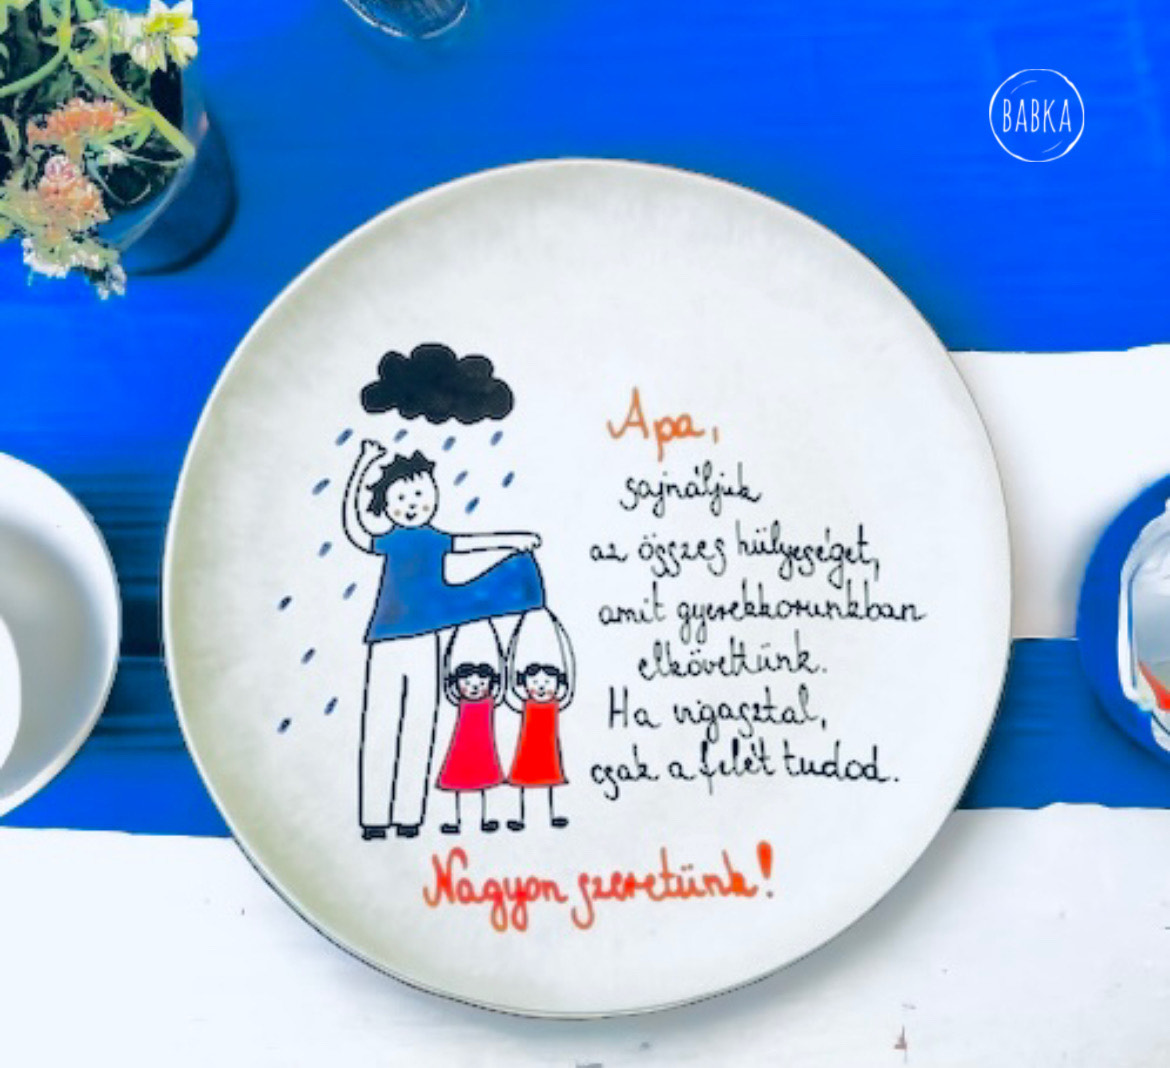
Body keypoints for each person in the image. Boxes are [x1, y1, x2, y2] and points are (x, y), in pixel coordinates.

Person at [343, 440, 543, 839]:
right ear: (387, 506)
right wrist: (363, 465)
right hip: (386, 641)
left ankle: (409, 817)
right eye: (402, 498)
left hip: (425, 641)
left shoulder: (434, 539)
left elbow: (471, 542)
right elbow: (356, 527)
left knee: (420, 724)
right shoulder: (392, 540)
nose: (413, 504)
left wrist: (513, 539)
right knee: (381, 726)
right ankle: (373, 819)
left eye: (420, 494)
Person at [505, 609, 575, 831]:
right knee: (524, 783)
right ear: (524, 684)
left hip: (547, 752)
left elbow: (568, 692)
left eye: (547, 682)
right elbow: (509, 694)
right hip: (527, 751)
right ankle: (522, 817)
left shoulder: (556, 703)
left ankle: (551, 815)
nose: (541, 687)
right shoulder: (525, 703)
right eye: (535, 682)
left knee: (549, 783)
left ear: (559, 684)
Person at [436, 622, 506, 834]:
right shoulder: (460, 701)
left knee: (482, 784)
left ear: (491, 684)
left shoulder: (490, 701)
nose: (474, 688)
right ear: (456, 684)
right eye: (467, 684)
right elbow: (448, 690)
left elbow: (501, 690)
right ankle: (457, 821)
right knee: (459, 784)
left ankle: (484, 819)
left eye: (481, 684)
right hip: (461, 749)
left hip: (483, 749)